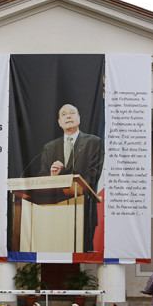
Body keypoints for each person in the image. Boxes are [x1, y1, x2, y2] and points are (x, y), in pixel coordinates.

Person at [38, 103, 104, 251]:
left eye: (72, 113)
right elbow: (42, 178)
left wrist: (66, 183)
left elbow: (93, 175)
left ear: (79, 119)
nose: (68, 115)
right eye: (64, 114)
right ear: (59, 122)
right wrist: (52, 177)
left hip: (83, 211)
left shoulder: (93, 142)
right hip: (56, 212)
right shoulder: (49, 147)